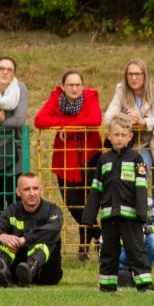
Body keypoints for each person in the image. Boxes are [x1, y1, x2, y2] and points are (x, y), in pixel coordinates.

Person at [104, 58, 154, 257]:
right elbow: (107, 118)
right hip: (139, 145)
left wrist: (145, 121)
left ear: (145, 75)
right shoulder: (121, 89)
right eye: (130, 74)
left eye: (137, 74)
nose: (133, 78)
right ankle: (137, 239)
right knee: (137, 188)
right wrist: (127, 120)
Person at [34, 70, 103, 262]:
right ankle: (100, 236)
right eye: (70, 85)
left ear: (83, 86)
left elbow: (95, 120)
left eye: (77, 85)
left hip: (90, 157)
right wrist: (66, 123)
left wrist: (68, 128)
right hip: (65, 159)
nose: (74, 88)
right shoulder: (56, 99)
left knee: (88, 203)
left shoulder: (90, 96)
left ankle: (83, 250)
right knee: (73, 204)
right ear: (63, 86)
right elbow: (40, 120)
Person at [82, 114, 154, 293]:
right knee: (108, 251)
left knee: (136, 251)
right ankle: (107, 286)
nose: (119, 138)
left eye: (123, 134)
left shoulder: (137, 159)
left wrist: (141, 214)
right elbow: (96, 188)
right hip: (108, 216)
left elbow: (141, 187)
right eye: (116, 134)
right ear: (109, 135)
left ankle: (145, 286)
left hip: (130, 217)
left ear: (130, 137)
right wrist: (89, 215)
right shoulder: (103, 160)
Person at [0, 172, 64, 287]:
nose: (32, 193)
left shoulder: (52, 210)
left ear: (41, 190)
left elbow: (54, 228)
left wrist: (25, 239)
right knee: (7, 240)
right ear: (18, 192)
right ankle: (3, 268)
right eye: (26, 189)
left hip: (46, 273)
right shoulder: (12, 210)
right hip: (18, 271)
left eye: (35, 188)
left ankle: (30, 267)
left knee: (48, 237)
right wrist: (2, 236)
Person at [0, 56, 28, 209]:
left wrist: (1, 121)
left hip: (11, 156)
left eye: (9, 69)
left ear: (14, 73)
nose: (4, 72)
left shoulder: (20, 89)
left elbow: (19, 120)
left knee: (14, 203)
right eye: (1, 69)